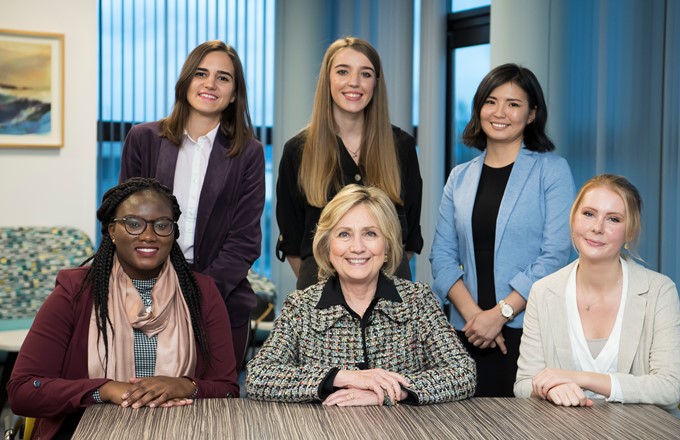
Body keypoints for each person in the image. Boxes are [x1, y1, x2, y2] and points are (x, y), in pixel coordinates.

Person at [8, 178, 238, 439]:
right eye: (133, 223)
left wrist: (186, 385)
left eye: (162, 225)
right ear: (112, 231)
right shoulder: (76, 291)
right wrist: (104, 390)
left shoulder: (201, 292)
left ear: (173, 233)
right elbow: (23, 390)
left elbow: (227, 388)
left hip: (181, 429)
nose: (149, 235)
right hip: (89, 429)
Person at [247, 185, 475, 405]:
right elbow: (258, 376)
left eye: (370, 234)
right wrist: (340, 377)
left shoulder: (418, 301)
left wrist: (391, 391)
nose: (357, 247)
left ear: (387, 246)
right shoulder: (301, 306)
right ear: (328, 247)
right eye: (344, 234)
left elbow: (463, 372)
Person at [430, 63, 575, 397]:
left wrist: (501, 313)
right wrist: (475, 317)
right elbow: (442, 256)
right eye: (491, 101)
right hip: (465, 330)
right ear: (479, 107)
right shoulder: (459, 177)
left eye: (513, 104)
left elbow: (555, 255)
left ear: (531, 115)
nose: (500, 112)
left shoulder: (551, 171)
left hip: (525, 331)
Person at [119, 40, 265, 372]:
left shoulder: (249, 153)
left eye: (223, 78)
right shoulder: (143, 139)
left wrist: (195, 294)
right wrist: (155, 291)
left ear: (233, 94)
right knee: (142, 407)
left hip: (220, 300)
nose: (210, 84)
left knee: (214, 412)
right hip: (145, 298)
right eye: (201, 73)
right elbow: (125, 222)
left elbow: (244, 240)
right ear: (186, 81)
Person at [515, 174, 680, 418]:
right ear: (573, 219)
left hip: (644, 430)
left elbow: (670, 388)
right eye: (588, 214)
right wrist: (551, 389)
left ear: (629, 232)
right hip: (566, 430)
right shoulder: (543, 291)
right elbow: (523, 384)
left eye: (613, 219)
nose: (597, 227)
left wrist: (580, 379)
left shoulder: (659, 291)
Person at [276, 36, 423, 290]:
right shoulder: (297, 151)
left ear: (376, 83)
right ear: (328, 79)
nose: (354, 82)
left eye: (365, 74)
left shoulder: (402, 147)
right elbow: (292, 245)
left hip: (391, 297)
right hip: (319, 298)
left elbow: (408, 240)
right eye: (343, 71)